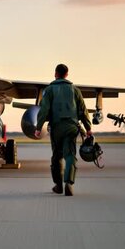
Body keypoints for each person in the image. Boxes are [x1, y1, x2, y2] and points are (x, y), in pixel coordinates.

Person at [34, 64, 92, 196]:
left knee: (57, 157)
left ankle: (58, 185)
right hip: (72, 127)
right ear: (67, 74)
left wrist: (38, 127)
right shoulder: (75, 90)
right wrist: (88, 128)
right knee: (70, 155)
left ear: (55, 73)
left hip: (56, 127)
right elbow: (83, 110)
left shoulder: (49, 90)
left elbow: (44, 110)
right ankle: (69, 184)